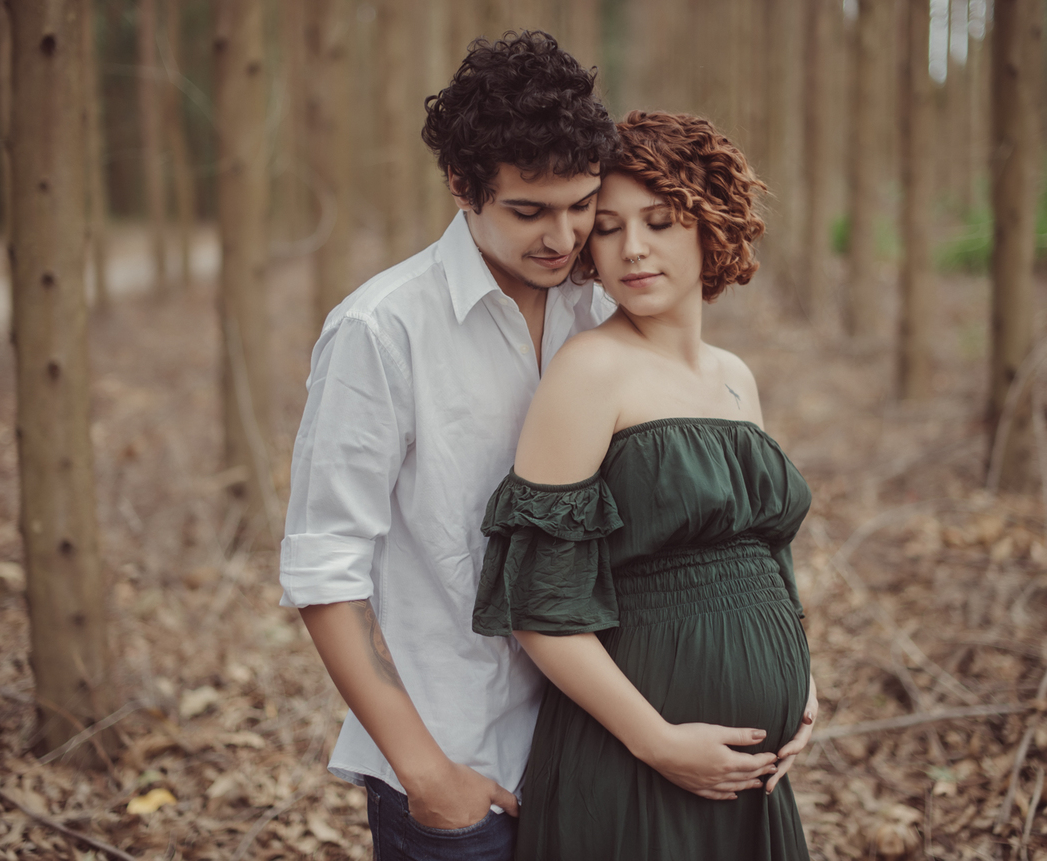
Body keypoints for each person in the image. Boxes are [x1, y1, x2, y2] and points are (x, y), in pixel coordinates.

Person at [280, 34, 771, 861]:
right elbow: (326, 570)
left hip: (596, 754)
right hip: (459, 766)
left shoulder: (602, 304)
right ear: (463, 187)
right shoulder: (381, 330)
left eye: (581, 205)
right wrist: (426, 773)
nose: (564, 236)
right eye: (529, 211)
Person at [473, 111, 820, 860]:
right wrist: (657, 741)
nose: (633, 248)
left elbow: (766, 552)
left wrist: (803, 683)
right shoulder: (590, 371)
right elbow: (537, 606)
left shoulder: (735, 377)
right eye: (609, 227)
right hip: (636, 755)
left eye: (661, 221)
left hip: (751, 772)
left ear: (710, 225)